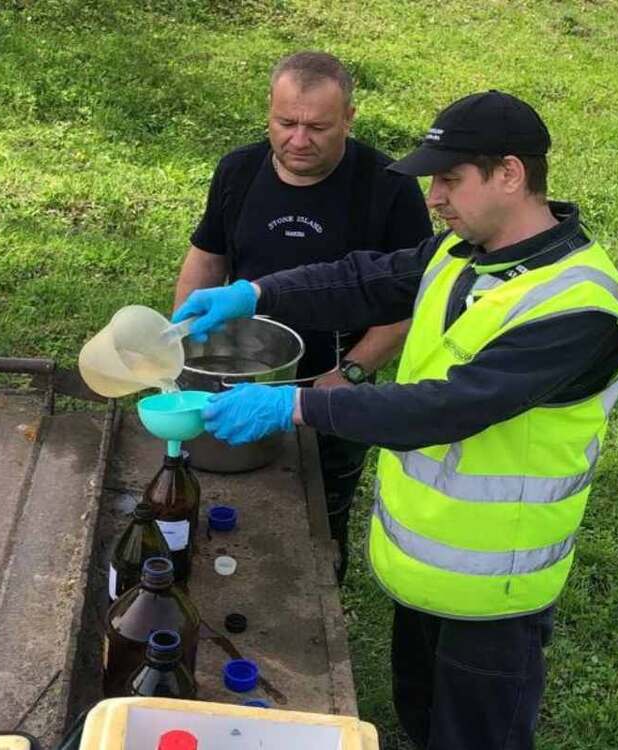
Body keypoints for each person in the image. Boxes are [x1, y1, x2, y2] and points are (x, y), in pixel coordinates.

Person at [172, 91, 618, 750]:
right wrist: (257, 292)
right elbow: (365, 280)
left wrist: (294, 403)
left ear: (510, 174)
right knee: (421, 719)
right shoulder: (463, 250)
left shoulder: (576, 308)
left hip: (494, 590)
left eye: (449, 179)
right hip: (425, 566)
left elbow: (444, 407)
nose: (434, 197)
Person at [175, 51, 431, 582]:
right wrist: (181, 340)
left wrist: (349, 374)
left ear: (349, 119)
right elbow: (207, 257)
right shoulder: (239, 170)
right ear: (269, 112)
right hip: (241, 372)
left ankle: (319, 591)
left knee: (320, 508)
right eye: (285, 122)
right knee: (224, 489)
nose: (298, 140)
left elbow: (408, 299)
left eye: (317, 127)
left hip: (334, 381)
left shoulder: (388, 187)